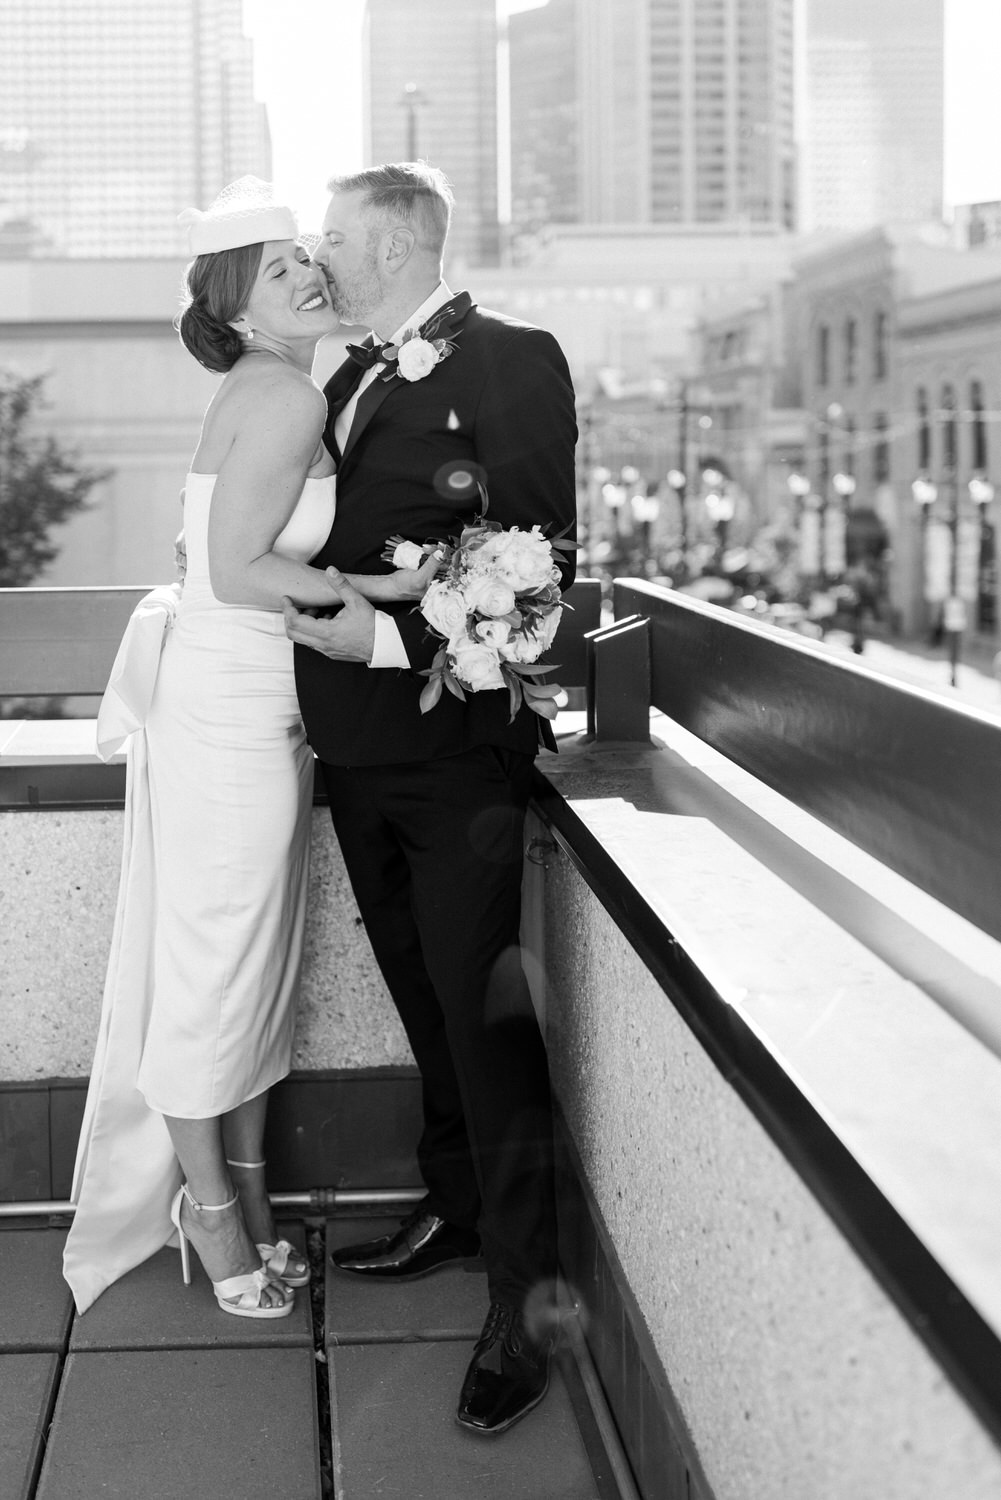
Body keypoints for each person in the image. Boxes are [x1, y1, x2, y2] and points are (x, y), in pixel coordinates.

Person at [63, 178, 435, 1320]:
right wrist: (385, 595)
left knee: (250, 963)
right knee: (222, 971)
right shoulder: (277, 397)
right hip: (229, 711)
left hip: (245, 703)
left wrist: (388, 583)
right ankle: (214, 1215)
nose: (309, 275)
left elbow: (244, 557)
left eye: (306, 259)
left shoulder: (268, 383)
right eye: (279, 269)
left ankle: (248, 1198)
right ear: (235, 302)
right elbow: (237, 574)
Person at [283, 162, 577, 1433]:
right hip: (350, 749)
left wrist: (391, 647)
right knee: (420, 992)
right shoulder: (341, 372)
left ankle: (524, 1296)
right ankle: (457, 1212)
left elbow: (540, 572)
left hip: (454, 758)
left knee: (484, 1019)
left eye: (335, 236)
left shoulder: (514, 359)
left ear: (397, 246)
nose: (318, 254)